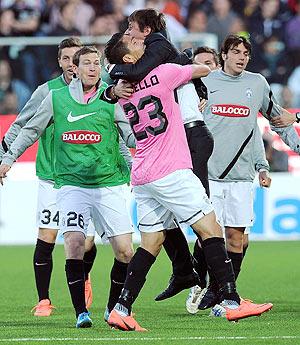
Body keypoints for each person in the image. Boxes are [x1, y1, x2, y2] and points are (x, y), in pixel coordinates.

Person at [104, 32, 273, 331]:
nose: (141, 41)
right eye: (134, 41)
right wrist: (171, 55)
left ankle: (121, 307)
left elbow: (113, 86)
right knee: (210, 228)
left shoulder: (123, 90)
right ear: (130, 58)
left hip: (143, 173)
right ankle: (231, 301)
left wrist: (116, 83)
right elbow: (203, 69)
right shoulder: (164, 73)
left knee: (152, 243)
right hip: (172, 169)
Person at [159, 34, 300, 314]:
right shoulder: (205, 82)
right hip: (208, 174)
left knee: (236, 239)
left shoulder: (256, 84)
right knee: (209, 238)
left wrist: (296, 144)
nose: (241, 57)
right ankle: (216, 292)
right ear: (223, 55)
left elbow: (278, 118)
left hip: (240, 175)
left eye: (245, 53)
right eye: (235, 52)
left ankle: (220, 294)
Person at [0, 45, 136, 328]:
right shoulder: (55, 97)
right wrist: (8, 158)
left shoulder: (111, 98)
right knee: (74, 243)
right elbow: (31, 129)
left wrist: (139, 166)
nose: (92, 68)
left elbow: (130, 139)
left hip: (109, 183)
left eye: (96, 63)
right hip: (72, 184)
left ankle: (112, 308)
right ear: (74, 68)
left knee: (125, 251)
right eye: (86, 63)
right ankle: (80, 313)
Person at [0, 37, 99, 317]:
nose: (71, 64)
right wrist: (3, 157)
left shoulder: (99, 93)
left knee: (86, 242)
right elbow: (22, 125)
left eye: (75, 59)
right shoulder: (48, 91)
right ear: (60, 62)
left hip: (84, 179)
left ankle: (85, 275)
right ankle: (44, 300)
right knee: (46, 235)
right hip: (51, 176)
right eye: (66, 59)